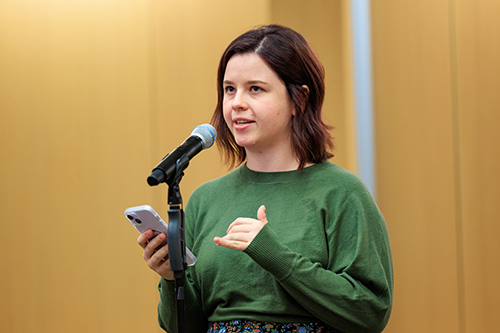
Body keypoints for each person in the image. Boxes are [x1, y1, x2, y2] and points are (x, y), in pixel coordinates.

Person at [137, 24, 393, 333]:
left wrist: (273, 254)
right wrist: (170, 276)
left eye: (255, 89)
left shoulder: (342, 192)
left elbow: (369, 312)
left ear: (298, 100)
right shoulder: (206, 199)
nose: (236, 103)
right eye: (229, 89)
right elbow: (184, 326)